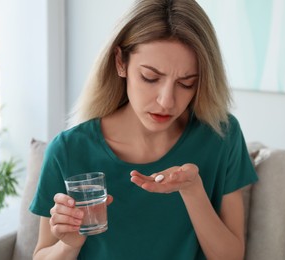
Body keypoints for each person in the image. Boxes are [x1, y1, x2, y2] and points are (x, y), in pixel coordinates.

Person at [29, 0, 258, 259]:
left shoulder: (221, 136)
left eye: (186, 83)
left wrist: (193, 191)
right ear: (120, 62)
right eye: (150, 78)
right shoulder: (69, 150)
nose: (167, 101)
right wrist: (69, 244)